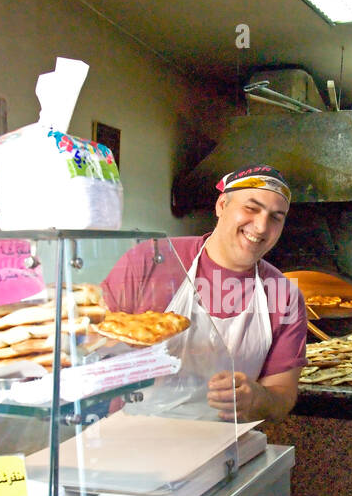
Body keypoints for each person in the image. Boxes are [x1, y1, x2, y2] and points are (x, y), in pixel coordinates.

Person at [100, 165, 306, 422]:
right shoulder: (150, 259)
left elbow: (283, 395)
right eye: (251, 208)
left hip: (225, 450)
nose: (262, 227)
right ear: (221, 205)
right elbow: (89, 337)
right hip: (134, 435)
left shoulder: (284, 296)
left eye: (276, 217)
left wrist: (258, 398)